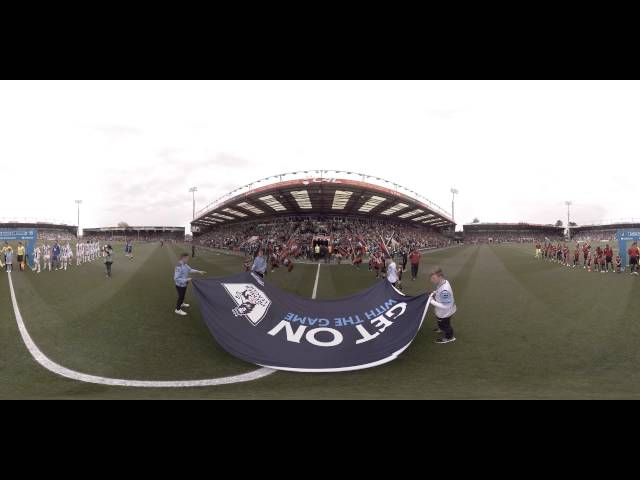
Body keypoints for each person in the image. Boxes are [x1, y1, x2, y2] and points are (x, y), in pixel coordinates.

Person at [428, 266, 457, 344]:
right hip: (445, 311)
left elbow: (446, 306)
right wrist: (435, 292)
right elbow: (440, 291)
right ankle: (441, 328)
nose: (431, 280)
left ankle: (449, 337)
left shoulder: (445, 290)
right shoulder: (443, 282)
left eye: (433, 278)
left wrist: (431, 301)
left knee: (445, 325)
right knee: (441, 322)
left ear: (440, 277)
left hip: (445, 312)